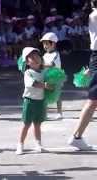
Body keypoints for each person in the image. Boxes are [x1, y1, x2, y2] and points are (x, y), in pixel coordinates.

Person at [67, 0, 97, 150]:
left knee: (93, 101)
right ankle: (76, 136)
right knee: (93, 101)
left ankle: (77, 137)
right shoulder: (95, 15)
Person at [16, 47, 52, 155]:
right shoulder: (28, 73)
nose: (36, 58)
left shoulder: (44, 71)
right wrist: (45, 86)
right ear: (27, 62)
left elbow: (52, 73)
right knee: (26, 124)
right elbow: (33, 84)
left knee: (37, 124)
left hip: (40, 101)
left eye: (37, 56)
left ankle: (38, 144)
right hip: (29, 101)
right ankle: (20, 144)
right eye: (31, 57)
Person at [40, 32, 63, 119]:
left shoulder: (56, 54)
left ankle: (59, 113)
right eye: (43, 44)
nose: (45, 46)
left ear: (53, 44)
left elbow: (51, 64)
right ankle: (44, 113)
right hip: (46, 76)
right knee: (44, 94)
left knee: (57, 94)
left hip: (55, 77)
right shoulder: (45, 54)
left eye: (46, 44)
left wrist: (40, 65)